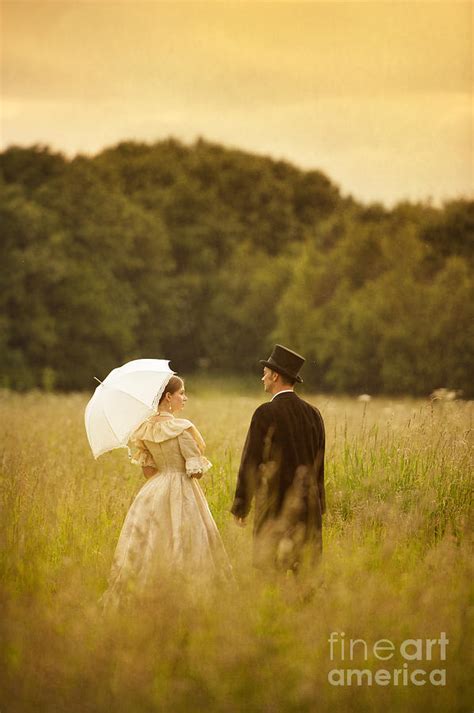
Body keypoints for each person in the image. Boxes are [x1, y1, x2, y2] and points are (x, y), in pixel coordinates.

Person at [101, 375, 232, 609]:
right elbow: (196, 471)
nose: (185, 398)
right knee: (184, 538)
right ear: (168, 397)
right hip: (181, 487)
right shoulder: (180, 429)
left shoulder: (145, 429)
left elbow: (149, 471)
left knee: (151, 539)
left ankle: (145, 594)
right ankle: (185, 593)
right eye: (181, 393)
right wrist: (187, 467)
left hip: (154, 490)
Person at [231, 345, 325, 573]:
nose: (262, 376)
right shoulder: (314, 413)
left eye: (265, 372)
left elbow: (251, 462)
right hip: (308, 507)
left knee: (270, 573)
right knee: (304, 573)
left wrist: (241, 506)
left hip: (275, 506)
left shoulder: (265, 413)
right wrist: (319, 503)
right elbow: (319, 464)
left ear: (275, 375)